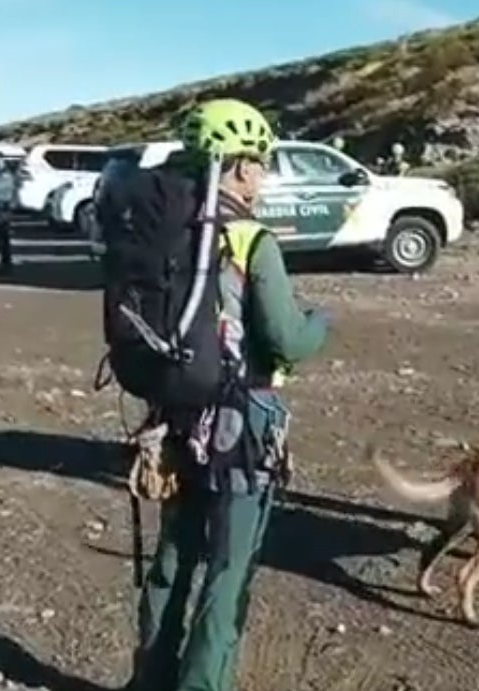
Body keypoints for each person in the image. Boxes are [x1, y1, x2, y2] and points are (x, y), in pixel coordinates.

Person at [124, 98, 328, 691]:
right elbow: (287, 336)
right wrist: (322, 321)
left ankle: (150, 680)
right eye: (260, 162)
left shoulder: (166, 233)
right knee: (227, 568)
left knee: (172, 560)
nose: (263, 175)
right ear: (238, 165)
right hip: (245, 423)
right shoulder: (250, 239)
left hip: (173, 413)